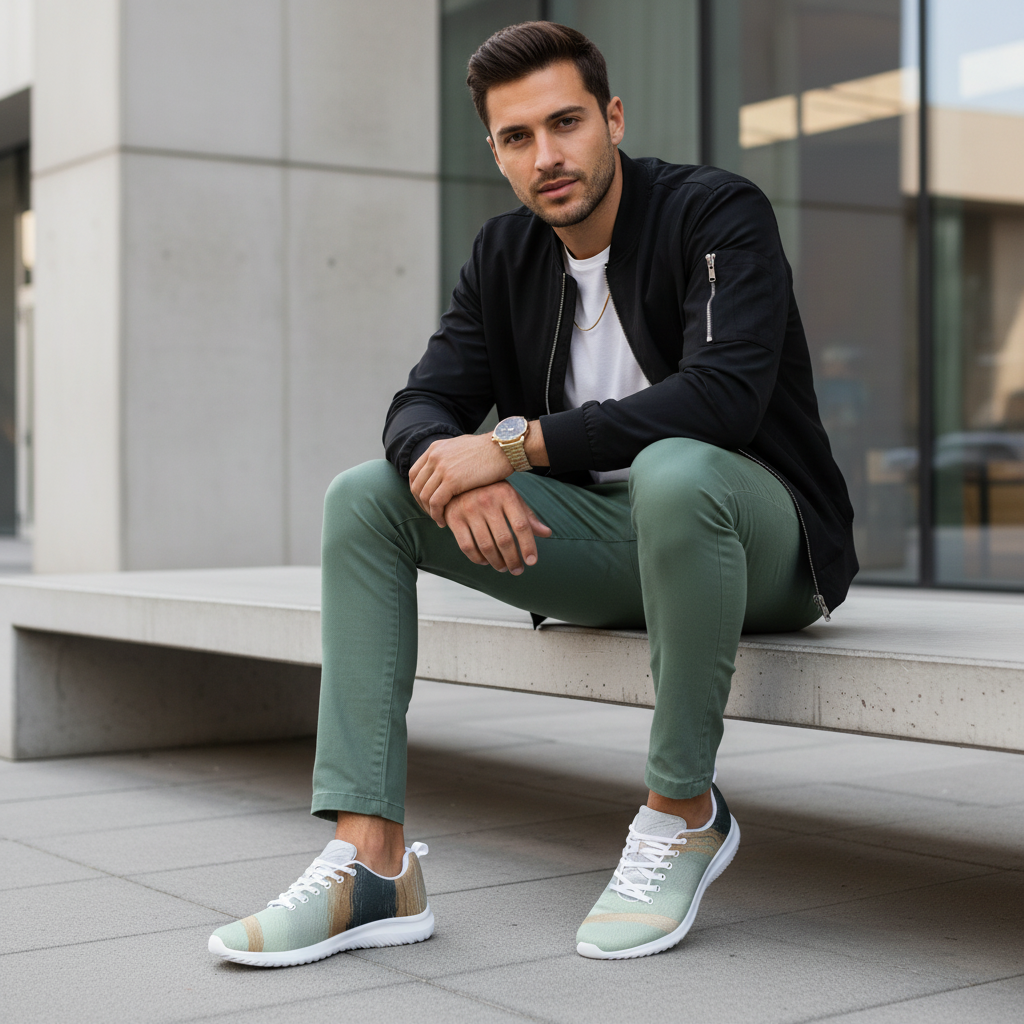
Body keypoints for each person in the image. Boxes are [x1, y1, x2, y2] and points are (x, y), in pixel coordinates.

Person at [208, 20, 857, 967]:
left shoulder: (717, 213)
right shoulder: (503, 256)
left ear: (613, 117)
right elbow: (421, 402)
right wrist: (451, 472)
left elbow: (722, 396)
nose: (547, 157)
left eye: (565, 123)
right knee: (365, 497)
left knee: (677, 468)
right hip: (616, 546)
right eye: (518, 138)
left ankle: (683, 813)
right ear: (497, 152)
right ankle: (370, 862)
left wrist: (513, 448)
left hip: (762, 539)